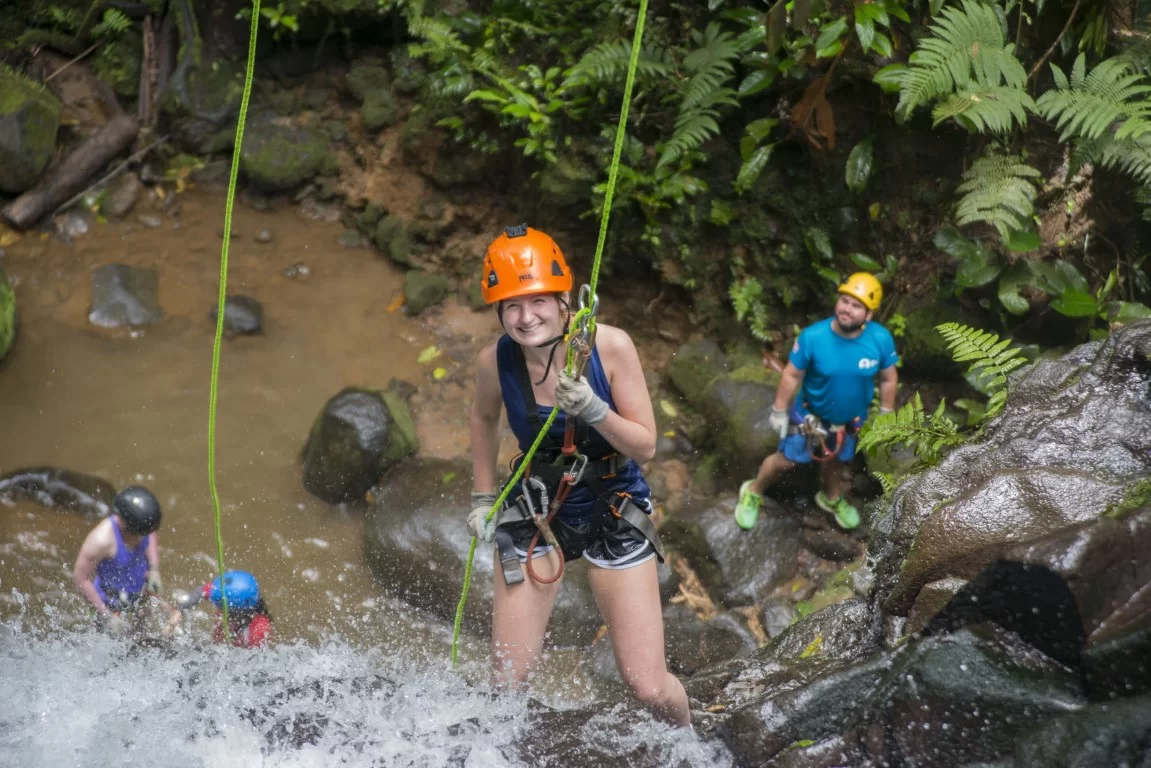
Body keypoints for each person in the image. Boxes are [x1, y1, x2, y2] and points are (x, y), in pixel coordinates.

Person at [467, 225, 690, 727]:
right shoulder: (495, 361)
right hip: (540, 504)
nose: (525, 318)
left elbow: (647, 445)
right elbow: (482, 420)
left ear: (565, 297)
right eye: (511, 306)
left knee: (648, 686)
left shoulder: (608, 348)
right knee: (506, 683)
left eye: (538, 301)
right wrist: (483, 498)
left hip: (614, 501)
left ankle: (693, 745)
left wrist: (594, 410)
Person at [734, 273, 899, 531]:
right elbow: (791, 373)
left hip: (849, 421)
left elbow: (888, 377)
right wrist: (779, 409)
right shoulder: (814, 337)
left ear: (869, 314)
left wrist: (887, 411)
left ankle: (831, 498)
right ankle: (753, 490)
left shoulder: (880, 340)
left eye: (856, 305)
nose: (847, 308)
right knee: (786, 460)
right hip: (811, 416)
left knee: (836, 460)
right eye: (844, 300)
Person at [73, 486, 163, 634]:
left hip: (139, 595)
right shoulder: (101, 541)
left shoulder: (143, 525)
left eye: (144, 533)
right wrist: (105, 616)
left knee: (144, 641)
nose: (142, 538)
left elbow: (151, 535)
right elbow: (80, 578)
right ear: (122, 523)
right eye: (138, 534)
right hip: (107, 602)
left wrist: (154, 569)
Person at [198, 570, 273, 649]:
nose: (221, 611)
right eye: (220, 606)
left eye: (225, 608)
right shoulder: (222, 594)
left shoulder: (259, 630)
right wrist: (183, 608)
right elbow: (203, 591)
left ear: (240, 611)